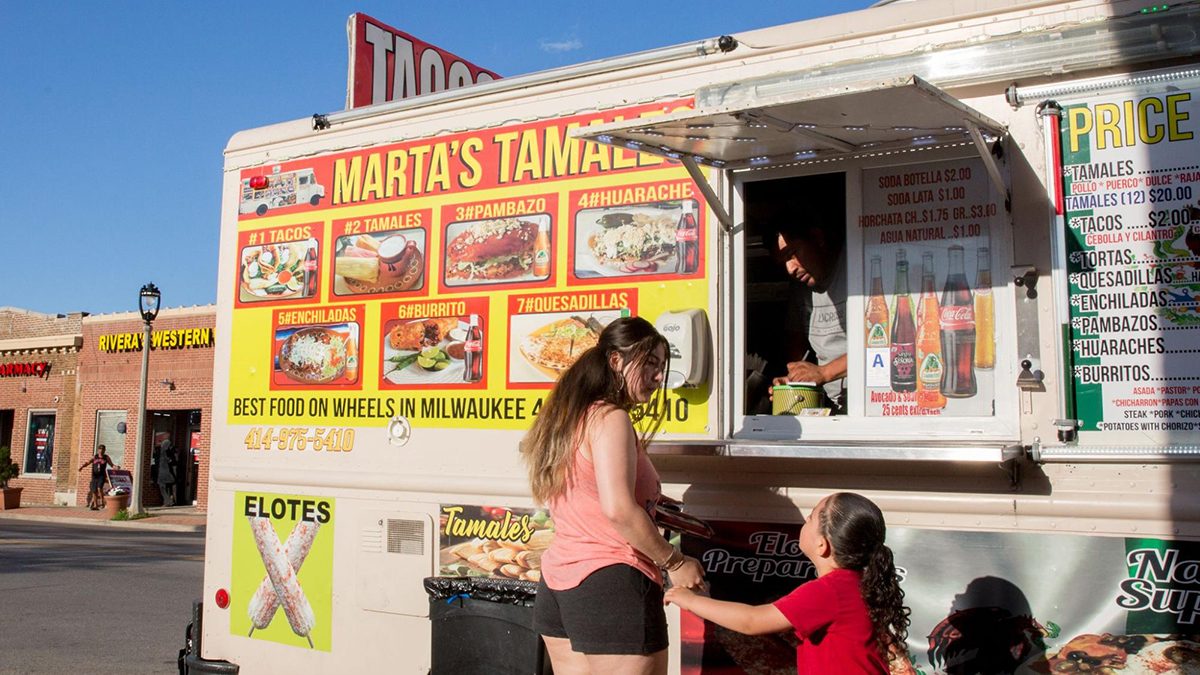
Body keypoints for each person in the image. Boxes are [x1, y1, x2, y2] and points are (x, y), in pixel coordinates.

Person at [522, 316, 707, 675]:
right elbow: (619, 511)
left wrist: (652, 506)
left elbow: (588, 495)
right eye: (649, 363)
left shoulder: (568, 415)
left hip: (560, 584)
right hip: (612, 585)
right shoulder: (611, 418)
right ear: (616, 360)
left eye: (662, 366)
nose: (658, 376)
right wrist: (676, 562)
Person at [664, 492, 910, 674]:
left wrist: (690, 601)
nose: (806, 518)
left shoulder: (830, 591)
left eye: (811, 517)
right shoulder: (857, 585)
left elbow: (752, 621)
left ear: (822, 545)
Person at [770, 221, 848, 413]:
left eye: (791, 254)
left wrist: (824, 372)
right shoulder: (800, 289)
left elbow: (882, 347)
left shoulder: (856, 266)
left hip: (875, 404)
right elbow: (796, 349)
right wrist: (793, 381)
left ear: (816, 238)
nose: (790, 269)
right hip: (832, 405)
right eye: (783, 262)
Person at [77, 445, 119, 510]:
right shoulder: (95, 457)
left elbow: (111, 465)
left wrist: (116, 467)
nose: (101, 450)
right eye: (100, 449)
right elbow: (88, 462)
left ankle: (102, 501)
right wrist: (82, 467)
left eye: (103, 449)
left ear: (105, 450)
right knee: (94, 491)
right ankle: (96, 505)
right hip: (94, 476)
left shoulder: (106, 457)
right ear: (98, 450)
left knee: (99, 488)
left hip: (101, 476)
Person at [155, 438, 176, 507]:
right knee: (168, 488)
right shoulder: (169, 453)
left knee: (163, 488)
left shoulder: (160, 452)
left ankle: (167, 501)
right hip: (168, 473)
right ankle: (170, 500)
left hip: (162, 473)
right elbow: (173, 462)